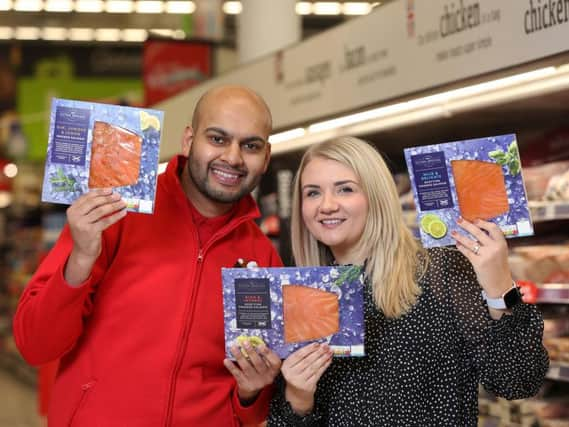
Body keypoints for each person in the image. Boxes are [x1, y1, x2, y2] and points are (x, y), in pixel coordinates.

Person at [13, 85, 284, 426]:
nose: (232, 157)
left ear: (267, 157)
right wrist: (80, 258)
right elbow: (35, 345)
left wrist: (252, 393)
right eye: (217, 139)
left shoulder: (262, 256)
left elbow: (252, 409)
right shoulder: (113, 214)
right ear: (188, 141)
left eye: (251, 146)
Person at [268, 136, 549, 426]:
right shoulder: (301, 295)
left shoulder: (440, 271)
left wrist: (500, 285)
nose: (326, 205)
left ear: (376, 195)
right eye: (312, 193)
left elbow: (518, 381)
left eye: (345, 189)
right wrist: (298, 398)